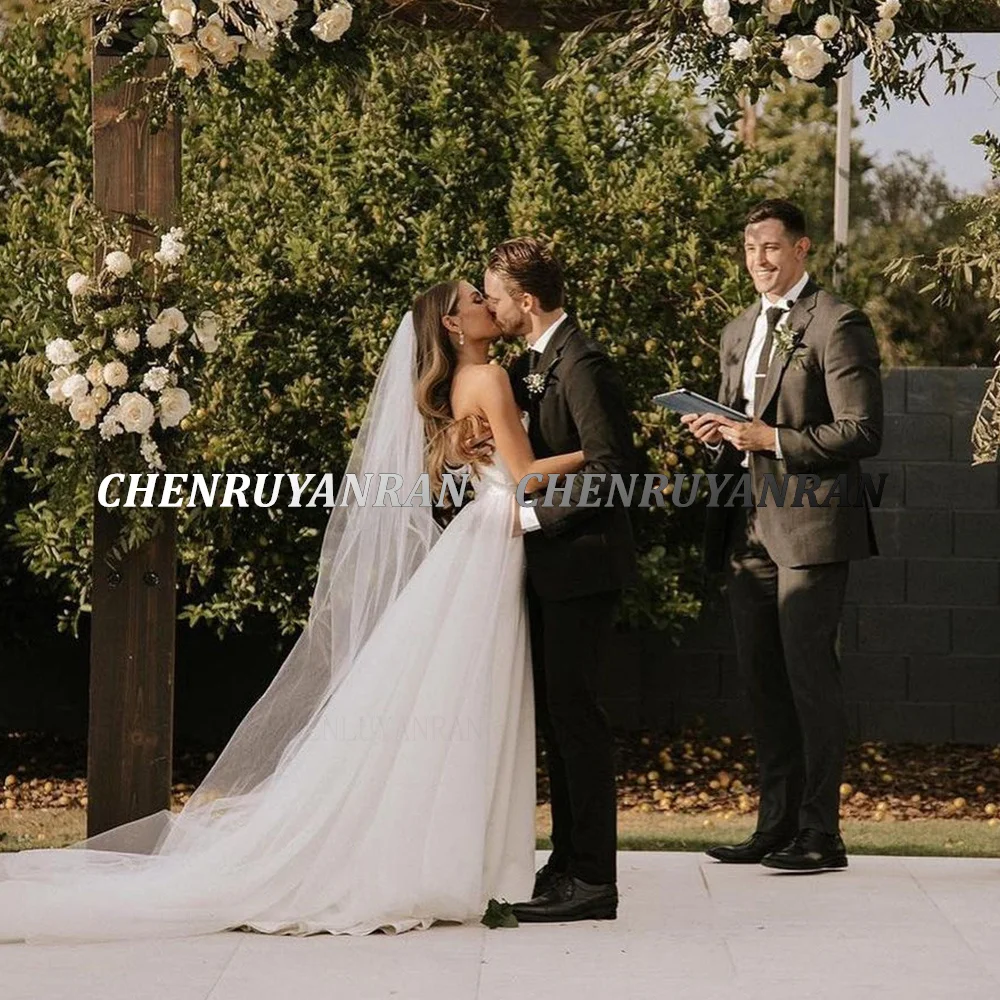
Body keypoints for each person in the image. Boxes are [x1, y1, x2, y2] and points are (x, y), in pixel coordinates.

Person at [0, 279, 588, 943]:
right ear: (452, 324)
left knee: (456, 698)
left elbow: (482, 460)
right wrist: (598, 454)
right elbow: (527, 473)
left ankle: (448, 856)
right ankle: (461, 859)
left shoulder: (462, 382)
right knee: (474, 697)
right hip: (493, 541)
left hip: (483, 538)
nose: (486, 303)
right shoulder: (490, 377)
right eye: (475, 299)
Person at [683, 199, 882, 873]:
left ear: (801, 249)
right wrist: (715, 430)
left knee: (809, 680)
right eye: (750, 248)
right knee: (763, 683)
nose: (759, 260)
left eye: (771, 247)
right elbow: (739, 423)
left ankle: (822, 835)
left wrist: (773, 439)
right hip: (747, 528)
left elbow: (861, 430)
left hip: (810, 526)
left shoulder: (838, 322)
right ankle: (775, 827)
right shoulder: (737, 329)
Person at [483, 238, 637, 922]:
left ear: (526, 300)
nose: (490, 307)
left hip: (584, 565)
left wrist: (534, 517)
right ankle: (567, 862)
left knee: (579, 719)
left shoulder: (584, 363)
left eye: (495, 297)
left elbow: (614, 471)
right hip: (550, 570)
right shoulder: (531, 365)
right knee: (558, 719)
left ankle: (595, 880)